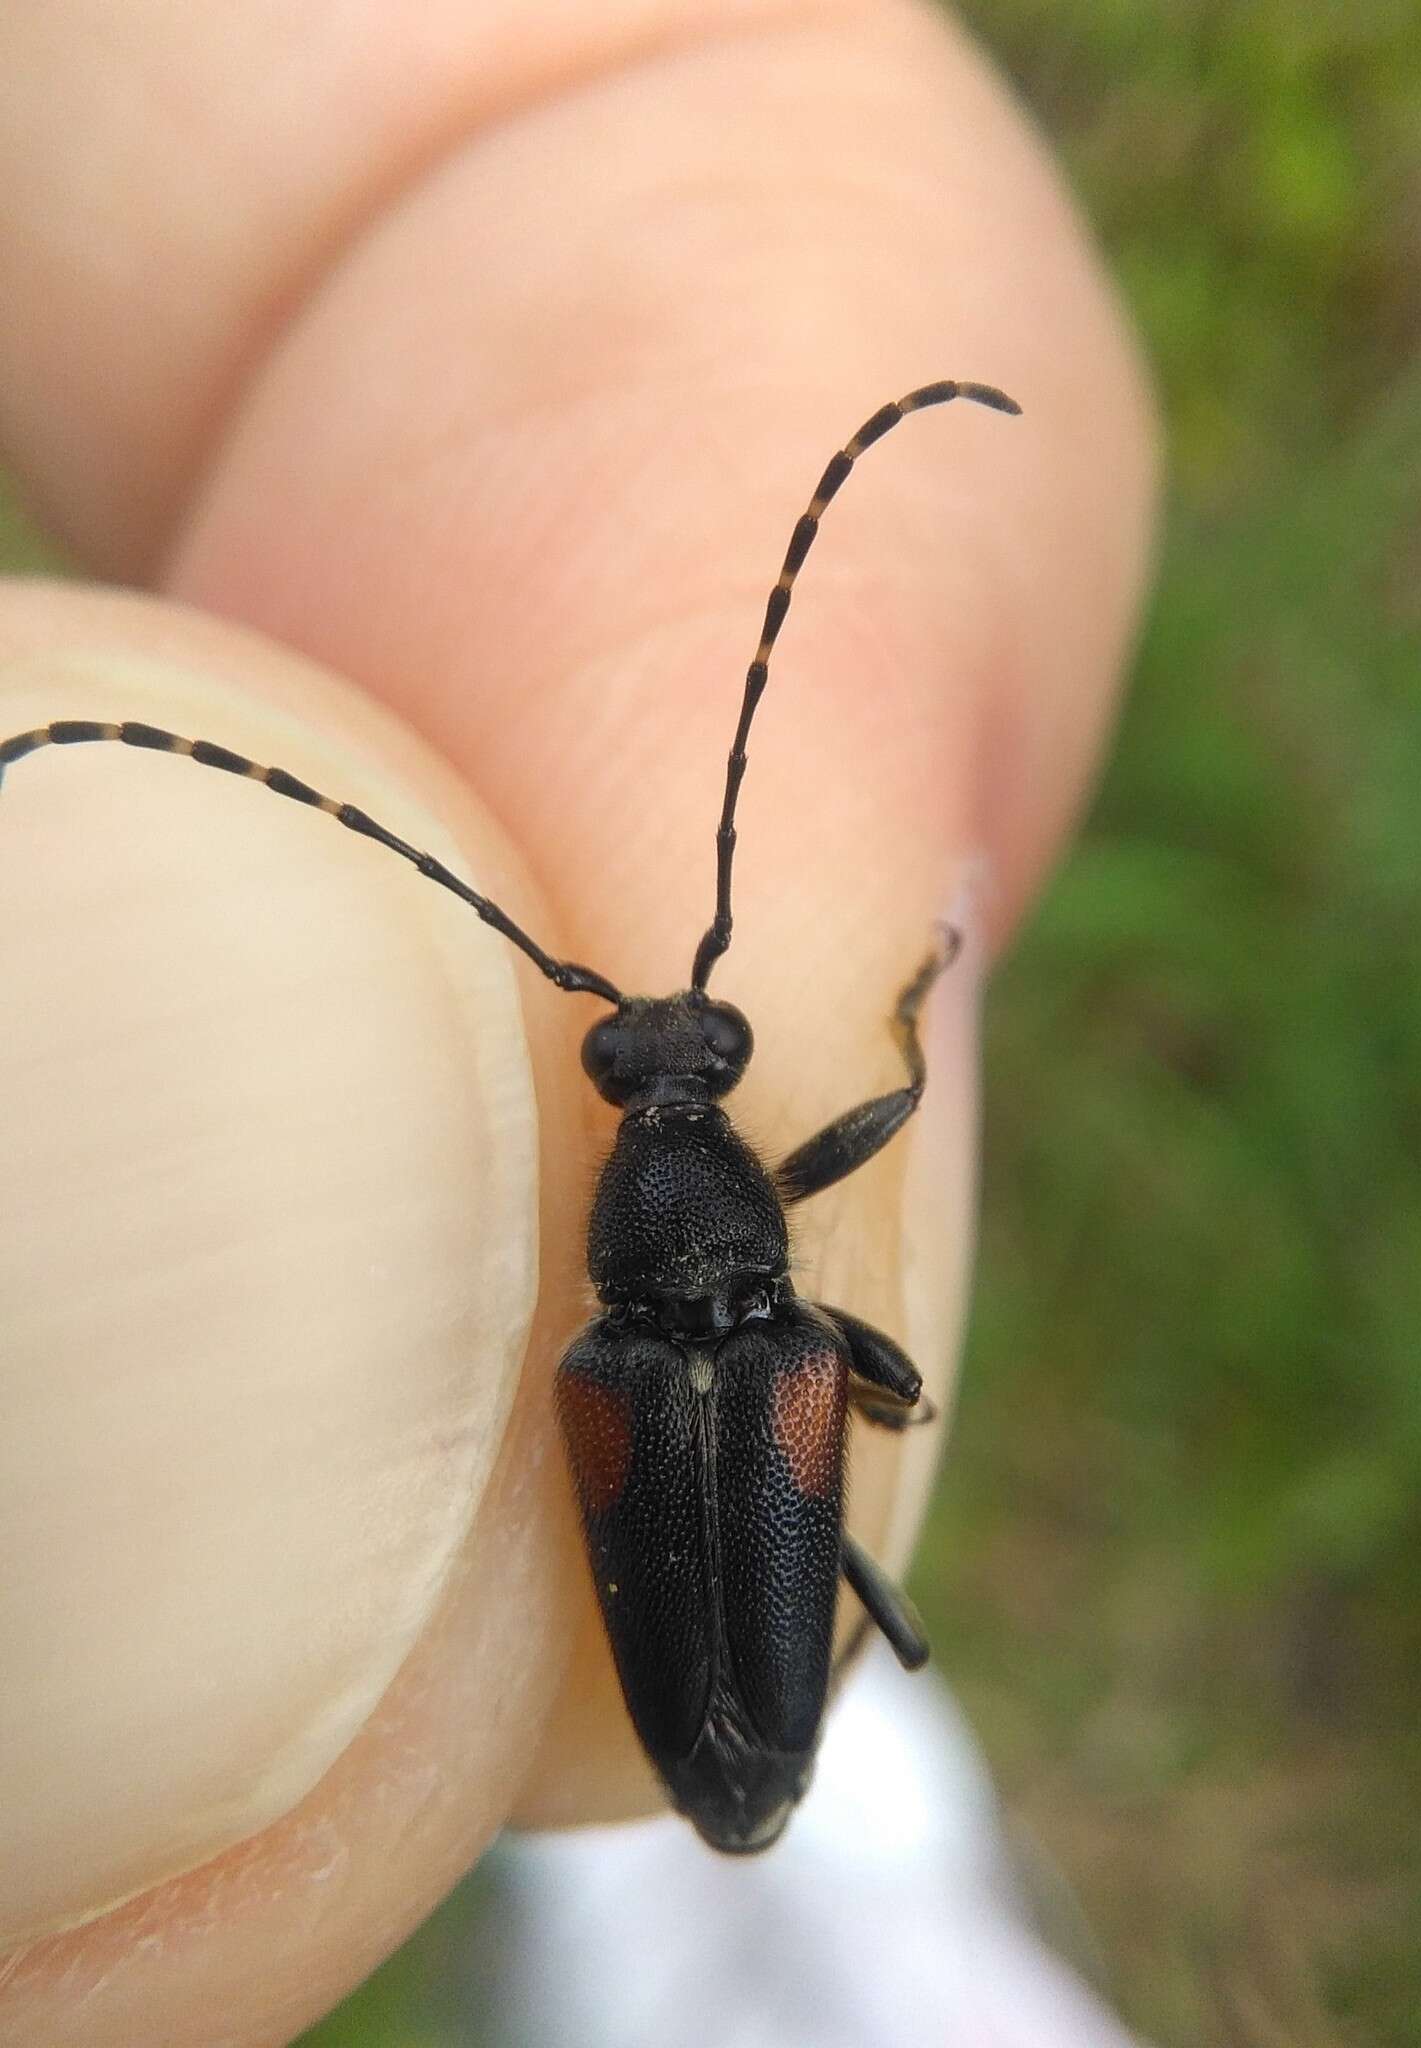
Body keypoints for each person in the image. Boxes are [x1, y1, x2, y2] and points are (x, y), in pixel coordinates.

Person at [0, 2, 1155, 2038]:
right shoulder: (736, 1335)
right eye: (667, 1075)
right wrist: (895, 1045)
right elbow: (877, 1363)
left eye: (664, 1078)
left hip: (730, 1610)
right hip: (755, 1635)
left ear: (645, 1159)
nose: (669, 1072)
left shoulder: (610, 1348)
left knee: (799, 1524)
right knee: (853, 1494)